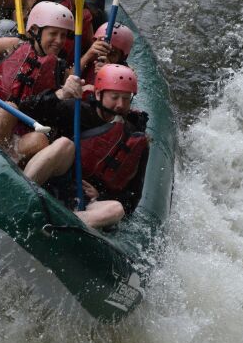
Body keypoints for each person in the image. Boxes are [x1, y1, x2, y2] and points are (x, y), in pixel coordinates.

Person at [0, 2, 107, 160]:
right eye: (53, 33)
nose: (59, 41)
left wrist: (94, 61)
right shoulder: (13, 45)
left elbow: (73, 81)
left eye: (63, 35)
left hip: (17, 133)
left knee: (40, 140)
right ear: (35, 30)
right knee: (8, 109)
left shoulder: (58, 67)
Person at [17, 64, 149, 229]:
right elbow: (26, 109)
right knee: (64, 144)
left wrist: (101, 196)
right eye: (114, 97)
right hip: (57, 179)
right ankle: (20, 192)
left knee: (117, 209)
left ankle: (61, 227)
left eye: (126, 98)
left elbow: (132, 199)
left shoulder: (134, 136)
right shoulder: (77, 109)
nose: (120, 105)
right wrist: (61, 94)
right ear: (99, 94)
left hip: (86, 202)